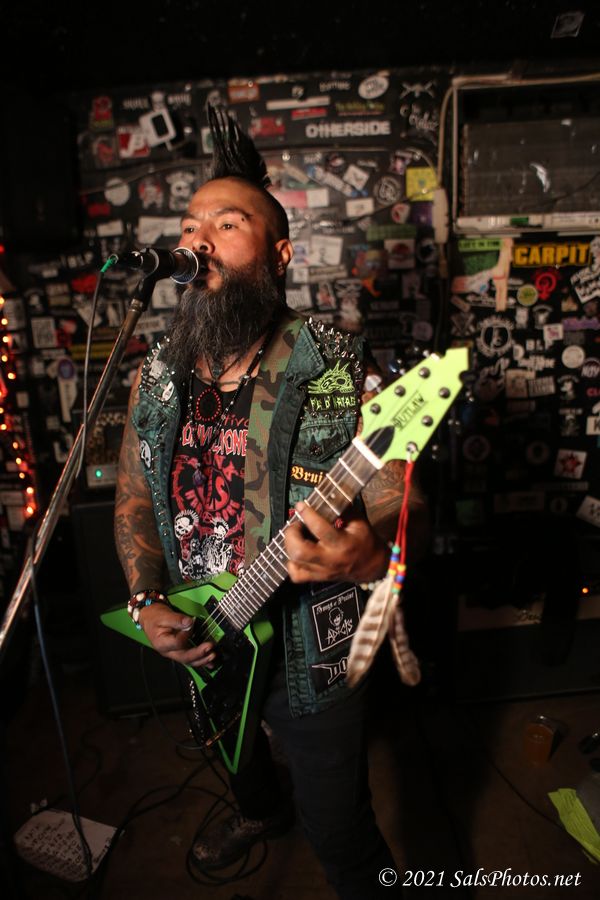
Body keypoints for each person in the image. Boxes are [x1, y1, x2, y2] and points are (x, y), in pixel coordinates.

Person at [114, 107, 425, 898]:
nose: (199, 241)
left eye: (228, 223)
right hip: (203, 627)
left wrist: (372, 552)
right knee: (234, 752)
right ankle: (258, 810)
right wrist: (147, 600)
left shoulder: (336, 364)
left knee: (342, 833)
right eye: (190, 226)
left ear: (280, 253)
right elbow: (135, 495)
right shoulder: (156, 372)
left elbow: (399, 492)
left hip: (309, 656)